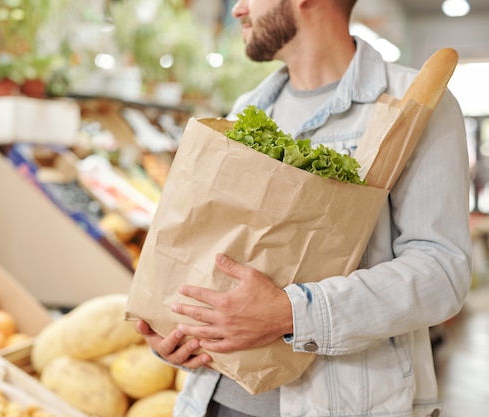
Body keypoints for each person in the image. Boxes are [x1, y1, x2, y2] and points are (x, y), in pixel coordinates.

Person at [135, 0, 473, 416]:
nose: (237, 9)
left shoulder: (414, 106)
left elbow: (440, 272)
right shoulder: (248, 109)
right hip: (214, 398)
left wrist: (293, 313)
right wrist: (178, 333)